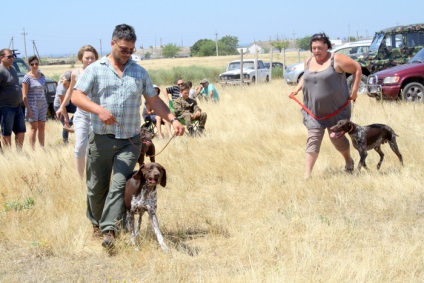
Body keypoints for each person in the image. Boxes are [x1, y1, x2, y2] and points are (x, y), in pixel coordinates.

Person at [71, 24, 184, 249]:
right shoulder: (95, 69)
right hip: (101, 138)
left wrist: (173, 119)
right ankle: (96, 222)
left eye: (131, 50)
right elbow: (76, 96)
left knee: (120, 182)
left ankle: (110, 230)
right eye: (124, 49)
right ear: (112, 43)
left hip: (130, 141)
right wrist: (98, 111)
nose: (128, 53)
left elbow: (154, 101)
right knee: (96, 187)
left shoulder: (139, 72)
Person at [289, 33, 362, 179]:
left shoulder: (337, 59)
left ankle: (348, 160)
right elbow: (306, 76)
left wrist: (354, 92)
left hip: (337, 111)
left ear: (327, 47)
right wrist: (297, 88)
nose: (316, 51)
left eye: (320, 48)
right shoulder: (308, 61)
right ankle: (307, 175)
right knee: (313, 139)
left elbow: (357, 68)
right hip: (314, 112)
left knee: (337, 139)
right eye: (314, 48)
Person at [56, 45, 99, 178]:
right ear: (81, 58)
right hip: (82, 114)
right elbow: (70, 91)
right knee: (80, 146)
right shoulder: (75, 74)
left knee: (96, 148)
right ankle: (80, 178)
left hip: (97, 114)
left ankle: (95, 176)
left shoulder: (100, 72)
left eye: (92, 58)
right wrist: (62, 106)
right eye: (87, 58)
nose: (90, 60)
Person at [0, 48, 26, 149]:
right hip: (5, 107)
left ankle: (19, 154)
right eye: (9, 56)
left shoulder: (13, 69)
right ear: (1, 58)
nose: (12, 58)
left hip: (17, 106)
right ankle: (8, 156)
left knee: (21, 130)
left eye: (13, 56)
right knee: (7, 132)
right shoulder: (1, 71)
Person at [53, 71, 76, 144]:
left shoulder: (72, 86)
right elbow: (62, 105)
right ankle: (65, 142)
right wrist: (66, 118)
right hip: (59, 106)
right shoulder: (61, 88)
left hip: (68, 103)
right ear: (67, 81)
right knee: (66, 124)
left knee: (81, 109)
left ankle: (71, 122)